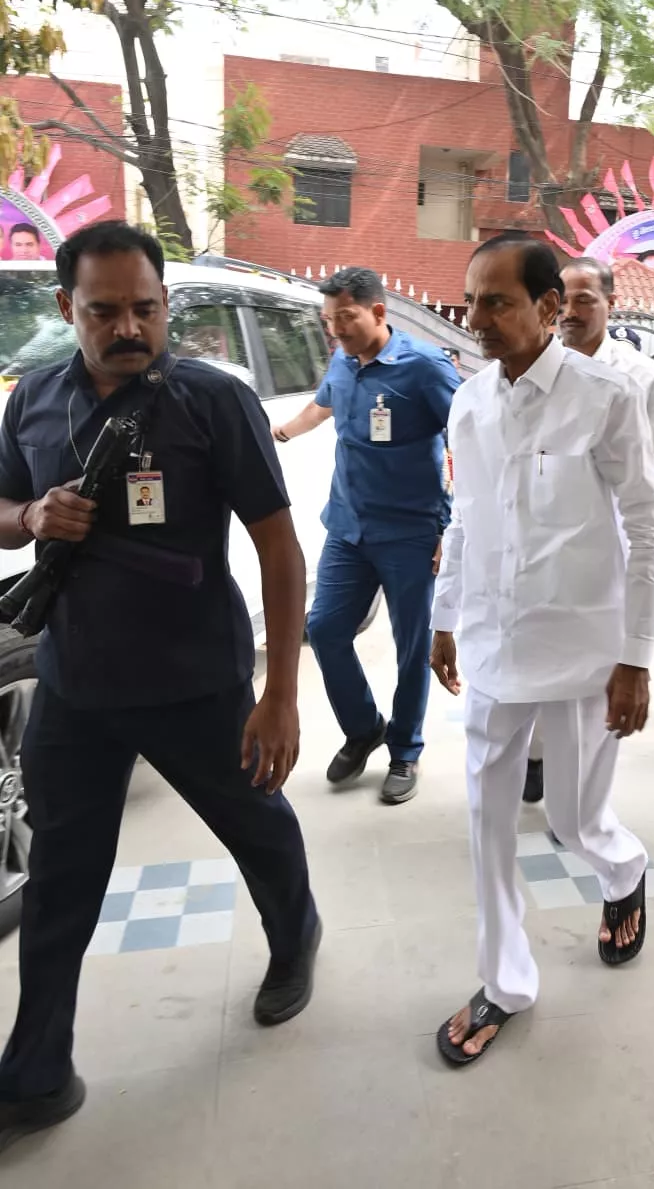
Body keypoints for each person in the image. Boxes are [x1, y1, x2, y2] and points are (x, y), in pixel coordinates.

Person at [0, 221, 320, 1154]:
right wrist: (32, 511)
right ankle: (37, 1069)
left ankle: (295, 934)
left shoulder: (213, 400)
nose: (129, 327)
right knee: (60, 879)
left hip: (196, 679)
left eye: (145, 308)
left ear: (165, 304)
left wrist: (282, 692)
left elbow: (277, 545)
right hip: (75, 684)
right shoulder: (33, 400)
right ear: (67, 308)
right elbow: (2, 509)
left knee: (257, 826)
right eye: (104, 311)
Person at [430, 233, 654, 1065]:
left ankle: (623, 868)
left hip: (582, 651)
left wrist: (636, 656)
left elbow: (648, 529)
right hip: (495, 645)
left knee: (572, 820)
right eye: (472, 300)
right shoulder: (469, 402)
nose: (477, 317)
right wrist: (445, 616)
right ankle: (505, 980)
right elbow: (465, 520)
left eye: (496, 302)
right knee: (487, 821)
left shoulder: (605, 397)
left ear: (546, 307)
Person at [273, 267, 458, 804]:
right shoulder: (343, 359)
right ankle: (363, 728)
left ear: (378, 311)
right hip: (347, 527)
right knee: (324, 629)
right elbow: (323, 404)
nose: (335, 330)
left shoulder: (426, 367)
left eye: (346, 318)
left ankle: (405, 750)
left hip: (410, 531)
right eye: (328, 321)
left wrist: (454, 526)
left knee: (411, 647)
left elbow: (469, 439)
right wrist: (278, 432)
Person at [517, 258, 654, 805]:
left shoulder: (641, 376)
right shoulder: (535, 369)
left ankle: (581, 794)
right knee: (539, 654)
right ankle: (537, 756)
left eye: (584, 299)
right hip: (544, 543)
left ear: (612, 304)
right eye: (562, 299)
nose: (569, 310)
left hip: (611, 551)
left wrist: (653, 527)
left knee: (595, 673)